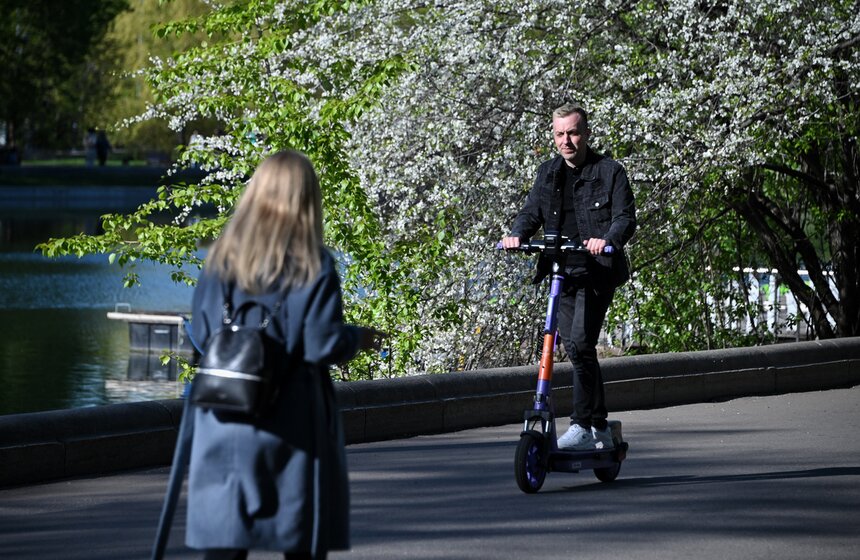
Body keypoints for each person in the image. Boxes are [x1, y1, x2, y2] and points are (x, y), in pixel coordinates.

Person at [187, 150, 383, 559]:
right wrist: (358, 338)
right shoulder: (313, 264)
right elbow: (321, 342)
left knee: (225, 539)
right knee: (299, 536)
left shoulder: (220, 260)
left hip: (222, 413)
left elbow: (202, 335)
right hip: (290, 418)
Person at [501, 103, 636, 451]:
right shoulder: (548, 173)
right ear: (553, 135)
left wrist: (606, 240)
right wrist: (517, 234)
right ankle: (600, 426)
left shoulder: (610, 172)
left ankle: (582, 424)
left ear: (586, 133)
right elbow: (532, 212)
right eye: (560, 134)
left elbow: (625, 218)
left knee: (579, 343)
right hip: (562, 272)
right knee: (575, 349)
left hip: (596, 272)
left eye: (573, 133)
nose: (567, 141)